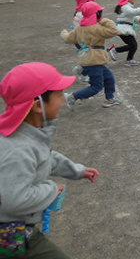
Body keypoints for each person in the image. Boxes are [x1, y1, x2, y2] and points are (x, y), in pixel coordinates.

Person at [0, 62, 100, 259]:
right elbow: (16, 200)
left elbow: (46, 158)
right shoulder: (18, 150)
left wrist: (77, 171)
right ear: (38, 105)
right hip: (11, 235)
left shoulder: (27, 134)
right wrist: (52, 189)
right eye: (58, 95)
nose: (63, 100)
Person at [60, 1, 122, 109]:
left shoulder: (80, 27)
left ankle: (110, 98)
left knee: (109, 78)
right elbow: (114, 31)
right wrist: (103, 20)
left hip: (89, 59)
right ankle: (72, 97)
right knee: (96, 86)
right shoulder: (97, 28)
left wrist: (64, 33)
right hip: (94, 60)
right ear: (97, 14)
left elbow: (69, 38)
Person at [107, 0, 140, 66]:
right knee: (133, 45)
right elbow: (133, 12)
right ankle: (116, 51)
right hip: (124, 29)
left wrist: (139, 19)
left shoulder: (125, 7)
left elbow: (131, 16)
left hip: (124, 28)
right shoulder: (125, 7)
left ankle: (128, 58)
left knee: (133, 45)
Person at [70, 0, 97, 83]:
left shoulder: (82, 12)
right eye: (91, 2)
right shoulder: (82, 14)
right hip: (81, 39)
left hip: (81, 38)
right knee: (89, 57)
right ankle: (83, 74)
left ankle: (81, 69)